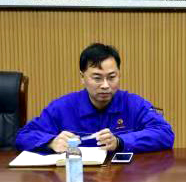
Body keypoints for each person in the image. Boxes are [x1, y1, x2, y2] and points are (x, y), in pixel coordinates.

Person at [15, 43, 174, 153]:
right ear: (82, 77)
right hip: (77, 178)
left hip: (122, 178)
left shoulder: (133, 104)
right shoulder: (62, 107)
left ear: (119, 74)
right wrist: (51, 142)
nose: (105, 85)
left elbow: (165, 134)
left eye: (112, 77)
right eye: (97, 78)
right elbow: (23, 136)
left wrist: (120, 141)